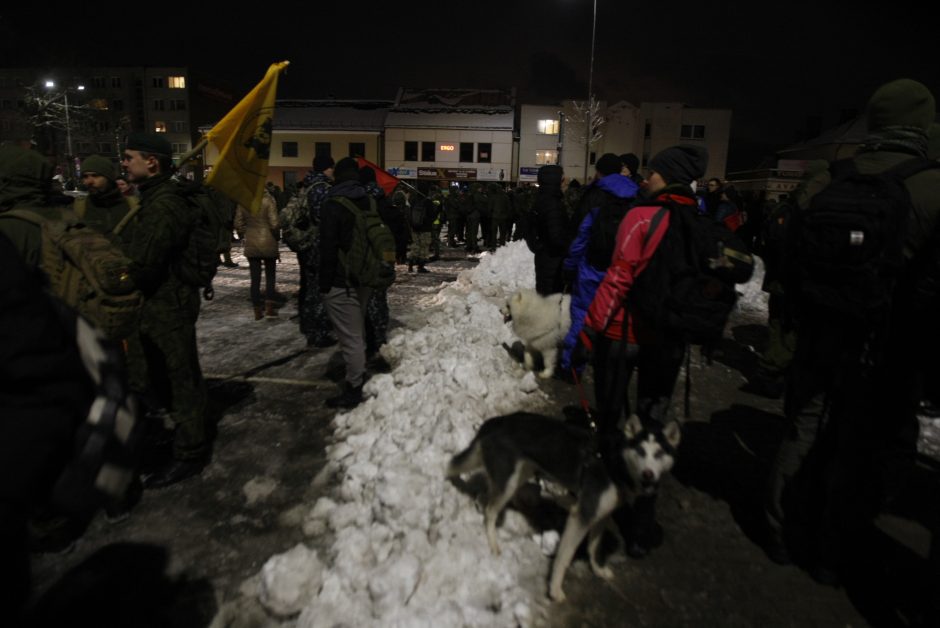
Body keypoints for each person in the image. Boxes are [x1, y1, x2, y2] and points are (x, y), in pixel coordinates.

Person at [763, 78, 940, 585]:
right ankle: (831, 551)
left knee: (803, 427)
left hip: (820, 331)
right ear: (922, 124)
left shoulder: (826, 178)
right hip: (889, 347)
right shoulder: (931, 185)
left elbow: (787, 251)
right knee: (863, 445)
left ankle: (779, 530)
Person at [573, 144, 709, 556]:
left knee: (613, 424)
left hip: (623, 337)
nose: (645, 178)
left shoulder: (641, 216)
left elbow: (616, 280)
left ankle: (607, 501)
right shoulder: (698, 223)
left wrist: (587, 330)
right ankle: (640, 528)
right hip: (667, 344)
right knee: (652, 431)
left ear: (667, 177)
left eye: (652, 173)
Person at [120, 132, 209, 489]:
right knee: (165, 373)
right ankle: (184, 436)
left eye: (129, 157)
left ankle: (190, 451)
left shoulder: (164, 204)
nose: (124, 163)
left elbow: (145, 262)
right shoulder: (155, 197)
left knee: (178, 376)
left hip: (167, 303)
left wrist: (118, 274)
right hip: (163, 301)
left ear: (151, 162)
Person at [318, 157, 373, 408]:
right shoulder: (368, 199)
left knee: (350, 338)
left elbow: (328, 246)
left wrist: (324, 283)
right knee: (356, 330)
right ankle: (358, 374)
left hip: (341, 279)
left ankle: (353, 389)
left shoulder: (333, 203)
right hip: (364, 276)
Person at [298, 154, 337, 348]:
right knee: (320, 290)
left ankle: (308, 325)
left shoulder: (306, 186)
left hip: (305, 244)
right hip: (318, 246)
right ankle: (319, 332)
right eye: (331, 168)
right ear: (325, 168)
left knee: (308, 288)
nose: (333, 171)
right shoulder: (322, 189)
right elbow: (326, 219)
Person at [234, 188, 280, 320]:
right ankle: (270, 306)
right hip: (268, 240)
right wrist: (276, 236)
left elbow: (238, 223)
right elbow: (275, 223)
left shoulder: (243, 202)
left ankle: (257, 310)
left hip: (252, 242)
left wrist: (246, 232)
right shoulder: (268, 200)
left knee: (255, 278)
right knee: (270, 276)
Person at [530, 164, 569, 295]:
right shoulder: (553, 204)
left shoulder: (541, 198)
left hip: (544, 259)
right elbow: (556, 238)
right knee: (550, 301)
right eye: (563, 178)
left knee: (544, 296)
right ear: (556, 180)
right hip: (553, 263)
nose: (566, 181)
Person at [76, 155, 137, 235]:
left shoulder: (133, 205)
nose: (89, 181)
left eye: (95, 175)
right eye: (85, 176)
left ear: (109, 178)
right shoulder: (79, 207)